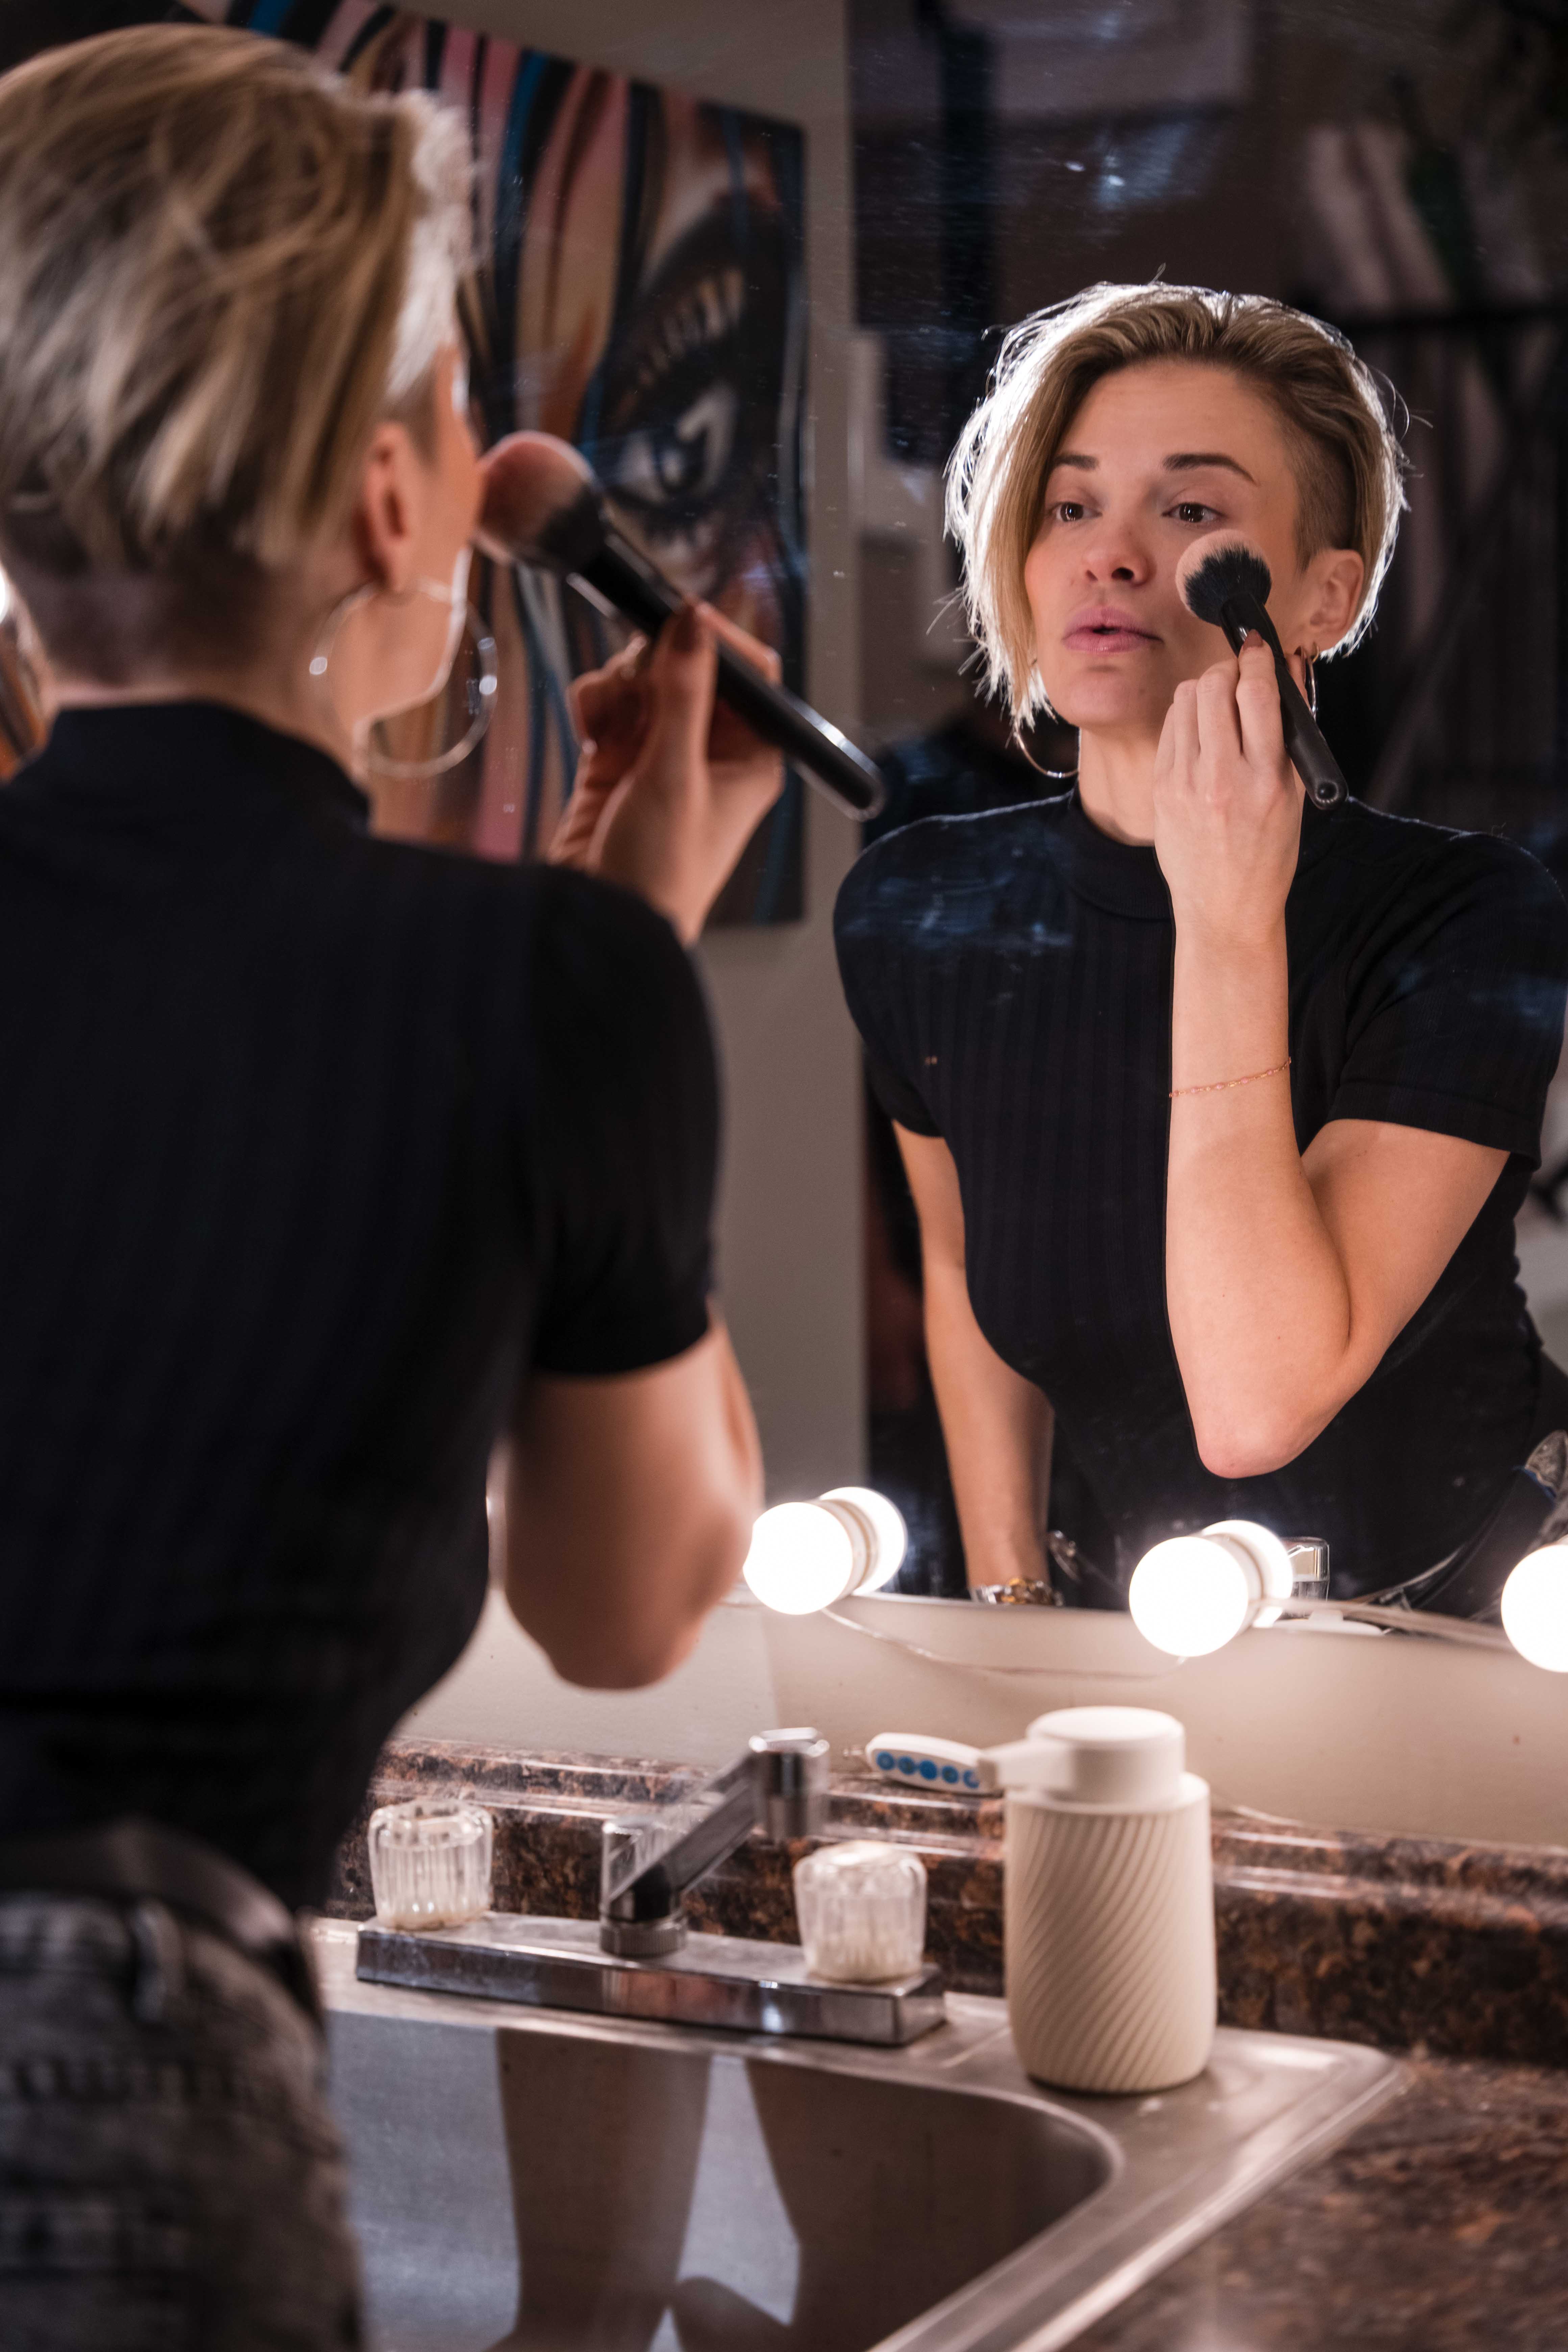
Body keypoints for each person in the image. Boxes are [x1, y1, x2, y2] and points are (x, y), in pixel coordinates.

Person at [0, 26, 781, 2347]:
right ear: (387, 499)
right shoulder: (536, 989)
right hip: (117, 2114)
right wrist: (623, 962)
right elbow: (633, 1605)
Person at [835, 281, 1568, 1611]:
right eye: (1069, 507)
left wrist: (1226, 924)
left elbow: (1253, 1404)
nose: (1109, 555)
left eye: (1188, 512)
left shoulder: (1463, 913)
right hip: (1150, 1630)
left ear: (1321, 597)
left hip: (1487, 1622)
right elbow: (961, 1277)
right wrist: (1015, 1623)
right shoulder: (921, 906)